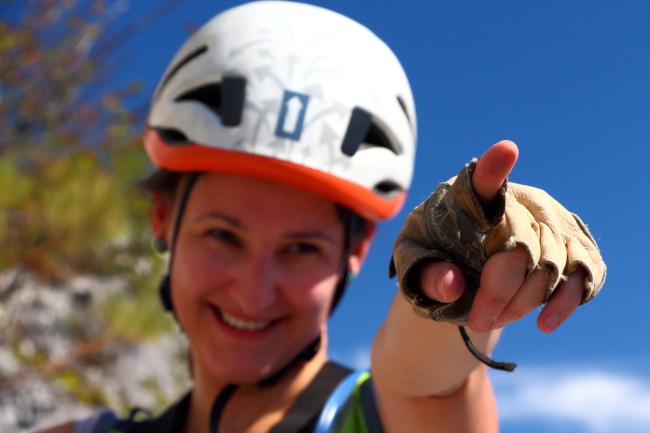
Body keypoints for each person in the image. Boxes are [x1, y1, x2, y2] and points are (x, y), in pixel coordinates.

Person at [39, 2, 606, 433]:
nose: (254, 293)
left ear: (354, 254)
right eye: (223, 236)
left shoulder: (377, 417)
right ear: (163, 219)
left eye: (300, 249)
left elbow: (428, 387)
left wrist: (460, 269)